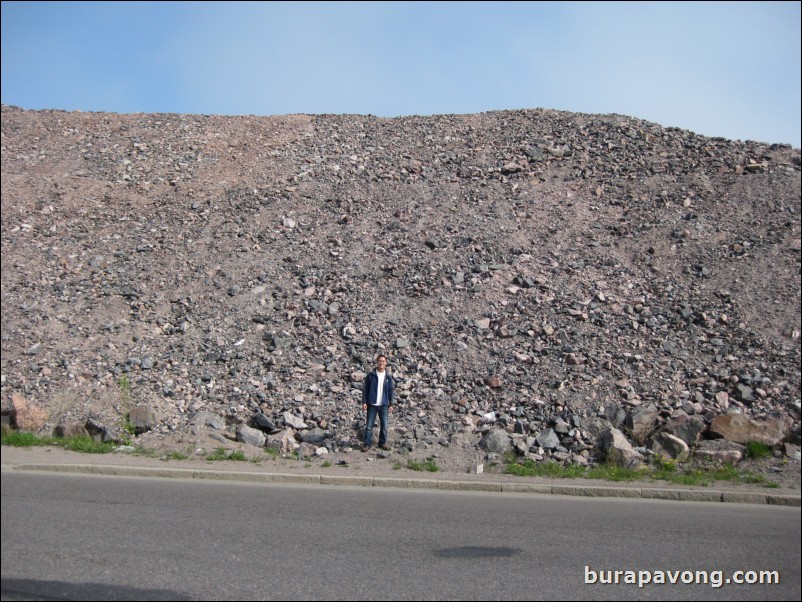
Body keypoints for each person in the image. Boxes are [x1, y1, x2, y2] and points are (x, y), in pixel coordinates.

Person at [361, 354, 395, 451]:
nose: (381, 363)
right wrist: (364, 402)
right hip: (372, 404)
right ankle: (367, 444)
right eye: (380, 361)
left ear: (386, 363)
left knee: (384, 425)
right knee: (369, 426)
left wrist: (391, 404)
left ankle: (382, 443)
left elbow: (390, 391)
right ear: (377, 362)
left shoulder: (388, 377)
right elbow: (365, 389)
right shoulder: (371, 375)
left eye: (383, 361)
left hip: (383, 404)